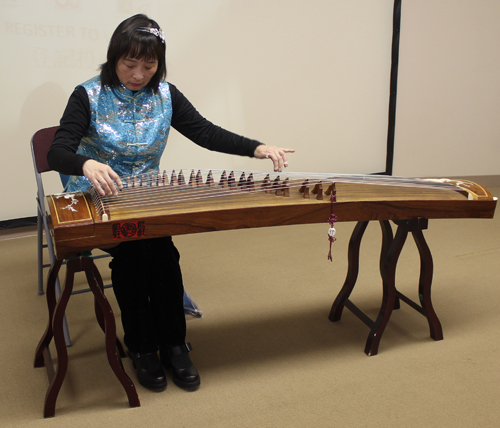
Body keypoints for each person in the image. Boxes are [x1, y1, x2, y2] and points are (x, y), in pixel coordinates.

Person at [47, 14, 294, 393]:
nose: (139, 74)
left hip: (146, 194)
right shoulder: (88, 94)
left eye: (149, 66)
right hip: (97, 194)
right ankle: (144, 347)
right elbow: (58, 151)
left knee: (163, 254)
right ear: (114, 58)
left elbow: (205, 131)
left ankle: (174, 345)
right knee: (134, 255)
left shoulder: (165, 94)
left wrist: (256, 147)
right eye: (130, 65)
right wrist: (86, 162)